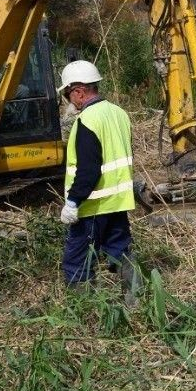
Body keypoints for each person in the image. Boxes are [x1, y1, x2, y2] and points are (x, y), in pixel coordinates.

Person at [57, 59, 138, 290]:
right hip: (118, 202)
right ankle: (135, 301)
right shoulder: (119, 113)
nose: (68, 101)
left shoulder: (87, 121)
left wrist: (73, 202)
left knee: (78, 262)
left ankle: (84, 316)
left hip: (93, 205)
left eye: (68, 94)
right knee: (120, 251)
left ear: (79, 92)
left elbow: (88, 170)